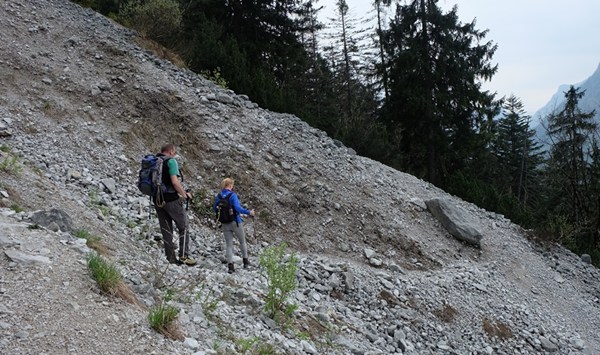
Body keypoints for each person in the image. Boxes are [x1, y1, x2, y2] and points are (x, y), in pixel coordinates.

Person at [153, 144, 196, 266]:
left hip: (157, 200)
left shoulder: (155, 161)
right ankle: (183, 256)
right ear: (171, 151)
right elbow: (175, 182)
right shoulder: (171, 162)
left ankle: (170, 258)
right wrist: (184, 194)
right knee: (184, 227)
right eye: (174, 152)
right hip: (171, 200)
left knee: (166, 229)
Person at [213, 178, 255, 273]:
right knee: (242, 242)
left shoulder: (218, 196)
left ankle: (230, 266)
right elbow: (237, 208)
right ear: (230, 185)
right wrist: (249, 212)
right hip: (235, 222)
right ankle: (246, 262)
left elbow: (214, 209)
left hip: (224, 223)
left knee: (229, 245)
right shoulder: (232, 195)